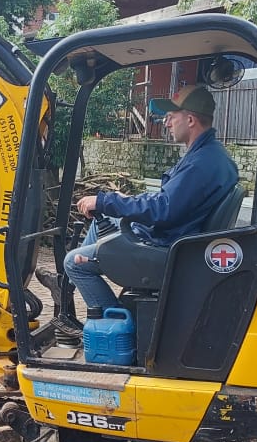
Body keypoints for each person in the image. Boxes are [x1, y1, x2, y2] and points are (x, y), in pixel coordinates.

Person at [56, 84, 239, 334]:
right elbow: (170, 200)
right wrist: (117, 202)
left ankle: (119, 331)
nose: (166, 122)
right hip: (175, 239)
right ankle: (68, 294)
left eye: (171, 116)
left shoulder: (201, 164)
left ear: (190, 119)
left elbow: (163, 209)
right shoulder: (209, 156)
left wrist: (106, 200)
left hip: (167, 249)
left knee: (73, 263)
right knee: (104, 220)